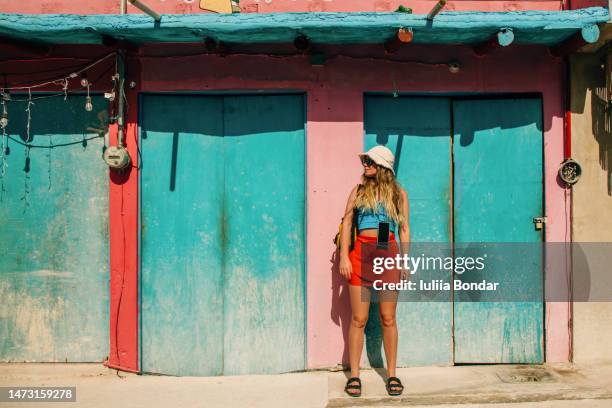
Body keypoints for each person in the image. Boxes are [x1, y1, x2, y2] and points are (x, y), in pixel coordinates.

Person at [338, 145, 410, 398]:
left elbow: (403, 229)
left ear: (383, 166)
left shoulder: (398, 194)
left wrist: (404, 260)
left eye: (369, 161)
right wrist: (344, 258)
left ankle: (391, 374)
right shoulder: (357, 191)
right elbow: (347, 222)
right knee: (359, 319)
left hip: (388, 255)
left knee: (388, 318)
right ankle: (354, 376)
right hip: (360, 256)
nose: (365, 164)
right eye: (365, 160)